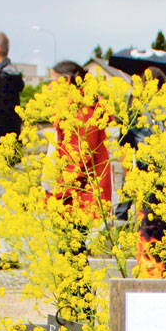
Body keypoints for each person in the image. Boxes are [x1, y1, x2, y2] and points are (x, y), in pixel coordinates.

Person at [48, 60, 112, 219]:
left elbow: (77, 160)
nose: (49, 87)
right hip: (79, 197)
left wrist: (58, 196)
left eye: (52, 81)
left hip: (81, 199)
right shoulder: (77, 108)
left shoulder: (82, 111)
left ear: (66, 81)